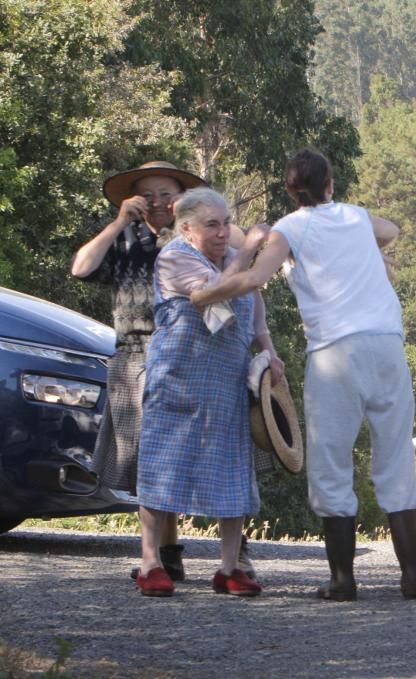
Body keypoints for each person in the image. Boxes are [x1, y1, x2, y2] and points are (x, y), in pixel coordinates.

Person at [196, 148, 416, 601]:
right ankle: (413, 575)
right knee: (395, 452)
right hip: (386, 345)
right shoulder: (355, 217)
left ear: (291, 192)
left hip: (334, 352)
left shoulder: (289, 229)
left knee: (331, 460)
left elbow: (254, 279)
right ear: (331, 184)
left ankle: (343, 580)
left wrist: (205, 294)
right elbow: (391, 230)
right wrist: (360, 247)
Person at [72, 161, 260, 582]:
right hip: (141, 352)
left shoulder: (204, 236)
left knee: (227, 453)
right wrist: (120, 221)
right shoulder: (127, 240)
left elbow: (241, 249)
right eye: (147, 195)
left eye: (166, 194)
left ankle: (233, 554)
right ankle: (163, 555)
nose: (157, 203)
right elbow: (81, 267)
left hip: (214, 356)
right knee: (156, 456)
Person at [133, 187, 283, 597]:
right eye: (212, 225)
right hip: (178, 377)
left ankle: (230, 568)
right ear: (186, 228)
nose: (222, 232)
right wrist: (249, 248)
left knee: (234, 468)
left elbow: (256, 322)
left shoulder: (235, 265)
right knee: (163, 463)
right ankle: (151, 564)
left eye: (227, 224)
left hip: (226, 384)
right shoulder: (176, 257)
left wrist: (271, 356)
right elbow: (217, 289)